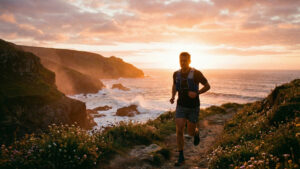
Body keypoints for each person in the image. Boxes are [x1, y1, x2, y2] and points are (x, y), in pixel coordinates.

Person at [170, 52, 210, 166]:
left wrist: (197, 93)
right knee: (179, 130)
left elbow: (208, 86)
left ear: (190, 61)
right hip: (181, 106)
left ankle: (196, 132)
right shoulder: (175, 74)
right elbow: (174, 85)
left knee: (190, 132)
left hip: (193, 107)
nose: (183, 62)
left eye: (185, 61)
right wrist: (173, 96)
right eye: (181, 60)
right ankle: (181, 157)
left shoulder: (196, 73)